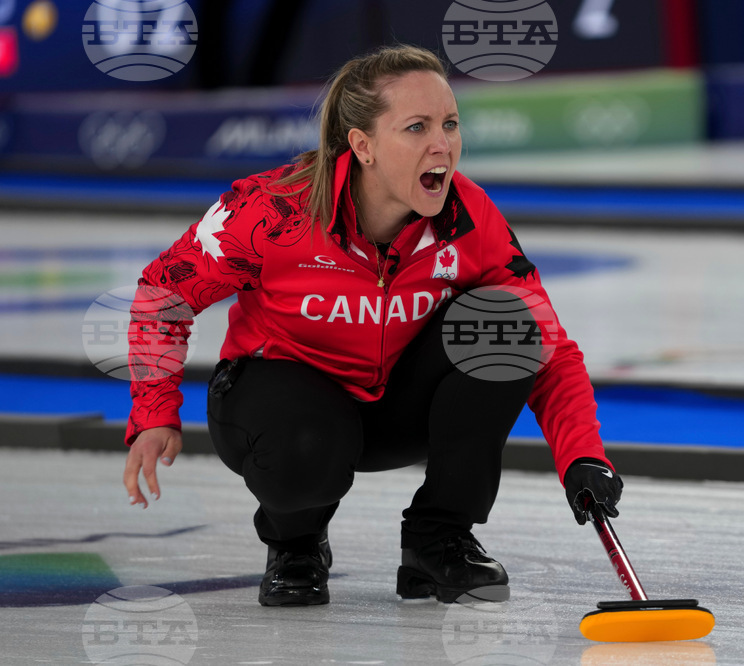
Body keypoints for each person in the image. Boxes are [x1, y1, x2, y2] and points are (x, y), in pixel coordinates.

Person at [122, 44, 624, 606]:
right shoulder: (272, 210)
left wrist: (583, 456)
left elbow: (548, 345)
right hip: (281, 401)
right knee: (308, 444)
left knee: (508, 321)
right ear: (362, 146)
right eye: (416, 127)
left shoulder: (468, 216)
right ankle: (297, 543)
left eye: (450, 124)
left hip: (390, 408)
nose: (443, 145)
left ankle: (439, 540)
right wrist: (154, 411)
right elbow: (162, 293)